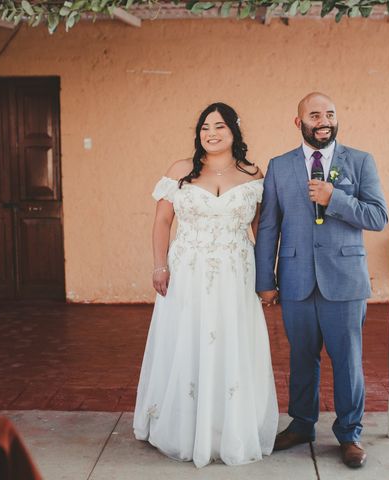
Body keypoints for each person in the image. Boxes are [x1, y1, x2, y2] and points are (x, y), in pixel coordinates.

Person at [133, 103, 279, 468]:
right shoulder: (180, 170)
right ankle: (182, 428)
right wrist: (159, 265)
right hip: (188, 269)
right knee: (187, 339)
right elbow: (162, 222)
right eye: (204, 127)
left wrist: (267, 276)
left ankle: (227, 428)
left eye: (219, 126)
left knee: (232, 342)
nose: (211, 133)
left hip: (236, 270)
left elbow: (261, 229)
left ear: (234, 131)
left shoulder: (252, 173)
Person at [255, 92, 388, 468]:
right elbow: (269, 226)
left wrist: (335, 199)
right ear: (299, 123)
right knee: (300, 357)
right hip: (296, 278)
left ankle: (350, 434)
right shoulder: (279, 166)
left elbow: (379, 216)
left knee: (347, 360)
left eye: (329, 113)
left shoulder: (359, 161)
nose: (324, 120)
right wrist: (265, 278)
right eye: (315, 115)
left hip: (344, 280)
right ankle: (301, 424)